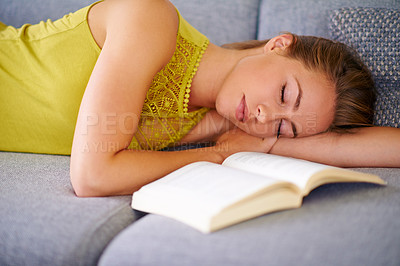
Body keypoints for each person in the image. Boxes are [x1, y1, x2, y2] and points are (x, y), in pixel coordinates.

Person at [0, 0, 399, 197]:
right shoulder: (151, 18)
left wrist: (276, 135)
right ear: (278, 44)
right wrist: (217, 155)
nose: (263, 117)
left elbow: (350, 145)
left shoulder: (224, 120)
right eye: (283, 94)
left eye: (282, 127)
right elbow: (92, 177)